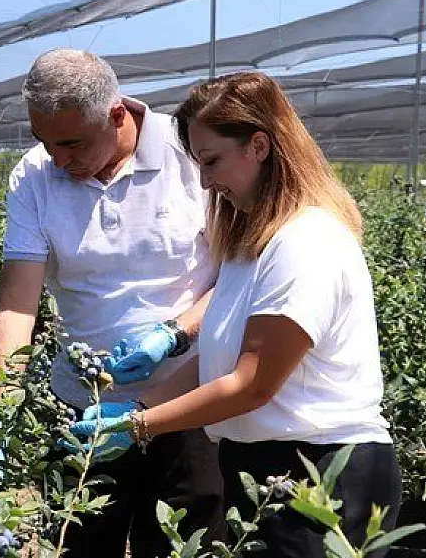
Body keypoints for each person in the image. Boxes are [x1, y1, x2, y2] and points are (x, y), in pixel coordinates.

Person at [69, 72, 403, 558]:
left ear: (260, 146)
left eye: (212, 161)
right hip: (264, 468)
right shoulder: (251, 245)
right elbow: (218, 361)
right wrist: (137, 406)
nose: (206, 181)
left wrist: (143, 427)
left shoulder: (305, 242)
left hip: (322, 473)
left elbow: (251, 384)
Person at [0, 48, 225, 557]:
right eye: (44, 142)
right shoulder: (34, 176)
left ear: (117, 115)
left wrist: (176, 332)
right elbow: (16, 300)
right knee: (84, 545)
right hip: (86, 412)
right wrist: (4, 399)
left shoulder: (193, 154)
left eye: (71, 143)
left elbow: (240, 282)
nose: (57, 159)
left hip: (188, 403)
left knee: (184, 546)